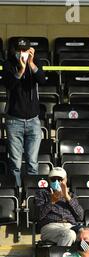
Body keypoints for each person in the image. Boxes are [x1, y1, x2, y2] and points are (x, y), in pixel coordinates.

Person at [2, 38, 46, 186]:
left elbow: (42, 79)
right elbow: (9, 84)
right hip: (14, 120)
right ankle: (18, 193)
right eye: (20, 50)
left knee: (32, 163)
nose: (22, 53)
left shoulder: (36, 62)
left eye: (25, 50)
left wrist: (31, 63)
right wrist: (20, 69)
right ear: (15, 51)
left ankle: (31, 195)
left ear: (30, 50)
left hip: (33, 120)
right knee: (15, 163)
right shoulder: (8, 64)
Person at [35, 167, 84, 246]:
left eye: (60, 179)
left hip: (70, 225)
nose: (57, 182)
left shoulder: (71, 195)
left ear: (65, 180)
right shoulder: (42, 193)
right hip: (50, 226)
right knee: (70, 234)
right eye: (53, 179)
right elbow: (38, 215)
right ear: (49, 180)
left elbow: (80, 216)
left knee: (87, 235)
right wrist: (52, 201)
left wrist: (67, 197)